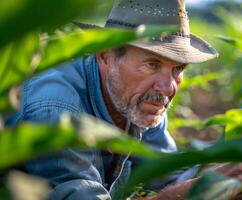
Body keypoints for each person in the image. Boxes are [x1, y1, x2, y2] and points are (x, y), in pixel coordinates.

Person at [6, 0, 220, 199]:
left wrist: (225, 176)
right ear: (106, 55)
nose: (168, 87)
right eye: (152, 65)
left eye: (178, 69)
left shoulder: (143, 102)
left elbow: (165, 175)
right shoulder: (56, 108)